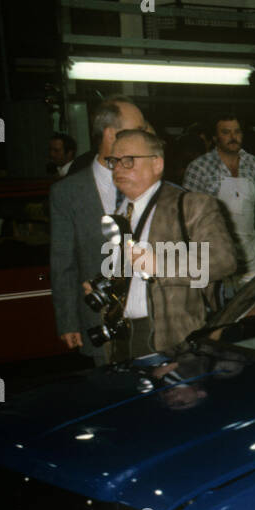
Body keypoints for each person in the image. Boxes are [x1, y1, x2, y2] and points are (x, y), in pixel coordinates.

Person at [97, 128, 237, 360]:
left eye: (128, 160)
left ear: (157, 164)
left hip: (173, 341)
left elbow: (224, 261)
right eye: (114, 161)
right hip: (120, 338)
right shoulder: (118, 214)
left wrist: (160, 265)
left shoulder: (192, 205)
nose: (119, 168)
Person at [50, 95, 147, 365]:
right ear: (111, 134)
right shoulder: (67, 193)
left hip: (148, 320)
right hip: (100, 321)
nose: (146, 137)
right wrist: (68, 321)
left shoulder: (151, 182)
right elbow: (63, 263)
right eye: (139, 131)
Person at [182, 114, 255, 283]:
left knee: (253, 305)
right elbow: (187, 219)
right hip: (214, 257)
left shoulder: (252, 162)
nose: (233, 137)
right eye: (226, 132)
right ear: (214, 137)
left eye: (237, 132)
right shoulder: (199, 167)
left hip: (249, 255)